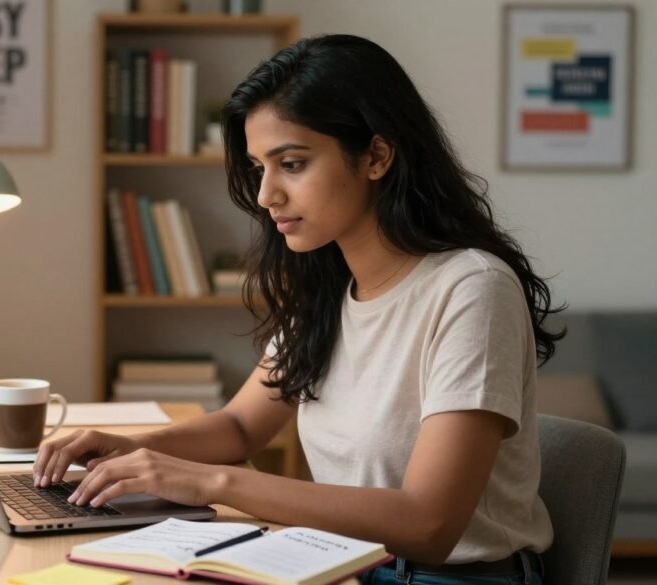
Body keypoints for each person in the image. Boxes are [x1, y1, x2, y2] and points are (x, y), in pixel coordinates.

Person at [34, 34, 562, 585]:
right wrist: (135, 449)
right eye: (260, 167)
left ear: (377, 156)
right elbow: (241, 427)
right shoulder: (329, 286)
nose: (266, 195)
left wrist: (206, 482)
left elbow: (429, 523)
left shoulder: (471, 289)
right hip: (345, 563)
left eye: (291, 163)